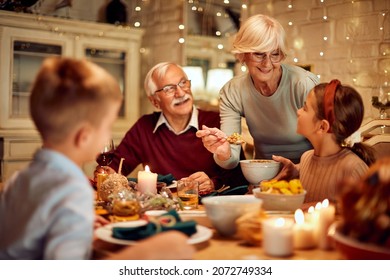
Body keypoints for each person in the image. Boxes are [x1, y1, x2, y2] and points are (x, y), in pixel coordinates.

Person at [0, 57, 194, 260]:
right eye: (107, 126)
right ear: (84, 136)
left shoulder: (21, 178)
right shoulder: (72, 190)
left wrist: (76, 225)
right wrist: (148, 253)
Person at [196, 14, 320, 171]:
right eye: (259, 54)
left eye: (275, 54)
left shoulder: (303, 84)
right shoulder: (232, 91)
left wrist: (298, 170)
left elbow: (327, 148)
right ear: (243, 54)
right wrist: (224, 152)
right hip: (263, 176)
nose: (267, 63)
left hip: (309, 172)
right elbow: (231, 161)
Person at [106, 62, 247, 194]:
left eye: (183, 83)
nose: (180, 93)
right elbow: (114, 168)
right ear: (155, 101)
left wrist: (213, 183)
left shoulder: (217, 121)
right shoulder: (145, 127)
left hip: (208, 208)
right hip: (162, 209)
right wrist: (106, 172)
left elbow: (240, 177)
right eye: (169, 89)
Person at [273, 79, 376, 205]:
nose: (298, 111)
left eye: (305, 109)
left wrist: (324, 208)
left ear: (322, 127)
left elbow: (368, 217)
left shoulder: (354, 168)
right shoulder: (305, 159)